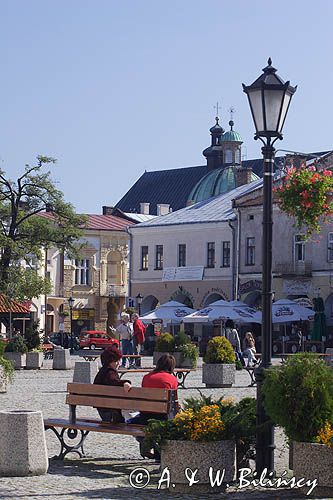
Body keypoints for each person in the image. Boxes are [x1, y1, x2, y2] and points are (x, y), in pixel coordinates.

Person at [127, 354, 178, 459]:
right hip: (163, 418)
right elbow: (174, 401)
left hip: (145, 417)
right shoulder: (172, 379)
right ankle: (160, 454)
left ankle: (146, 446)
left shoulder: (146, 377)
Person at [93, 346, 131, 423]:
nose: (119, 363)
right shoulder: (109, 372)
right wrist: (125, 382)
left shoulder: (102, 371)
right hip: (111, 413)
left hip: (103, 410)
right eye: (117, 361)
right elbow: (114, 382)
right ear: (111, 361)